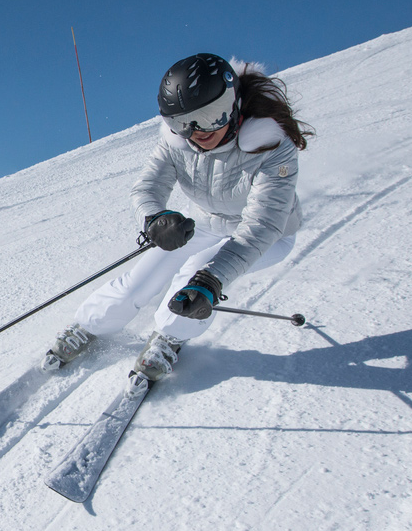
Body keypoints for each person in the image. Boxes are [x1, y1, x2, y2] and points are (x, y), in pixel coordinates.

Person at [43, 53, 313, 381]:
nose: (197, 131)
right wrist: (156, 218)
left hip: (270, 235)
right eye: (181, 121)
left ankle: (170, 336)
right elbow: (147, 188)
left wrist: (212, 280)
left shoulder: (270, 146)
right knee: (141, 279)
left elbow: (263, 225)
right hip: (209, 222)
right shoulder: (177, 144)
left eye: (210, 115)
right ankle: (90, 324)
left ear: (232, 104)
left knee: (193, 277)